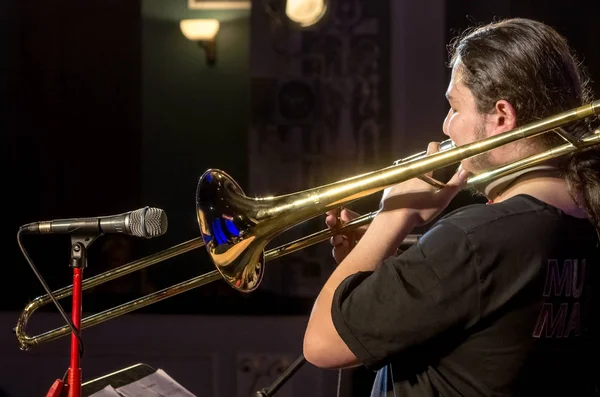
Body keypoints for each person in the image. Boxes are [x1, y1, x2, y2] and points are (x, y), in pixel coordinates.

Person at [303, 17, 600, 397]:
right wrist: (378, 251)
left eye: (454, 108)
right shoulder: (583, 222)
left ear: (501, 117)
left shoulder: (472, 239)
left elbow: (321, 345)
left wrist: (392, 217)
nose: (446, 127)